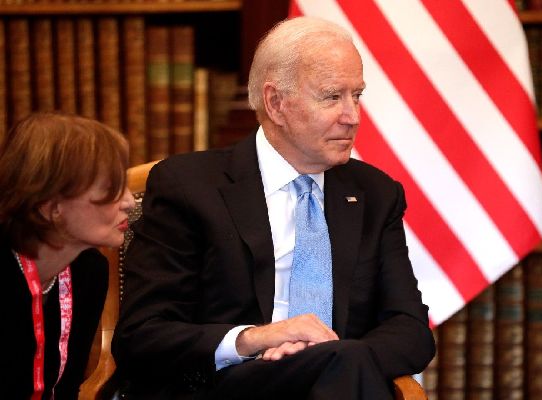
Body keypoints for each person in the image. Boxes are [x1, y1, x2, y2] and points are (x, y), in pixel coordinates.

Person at [112, 16, 435, 399]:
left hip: (342, 381)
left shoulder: (375, 194)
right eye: (332, 97)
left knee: (344, 363)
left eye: (357, 95)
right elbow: (142, 334)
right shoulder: (188, 187)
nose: (353, 116)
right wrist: (254, 338)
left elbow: (410, 329)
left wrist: (330, 358)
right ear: (276, 103)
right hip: (227, 386)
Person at [0, 112, 136, 399]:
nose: (128, 202)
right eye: (110, 188)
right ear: (51, 206)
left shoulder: (89, 271)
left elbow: (65, 388)